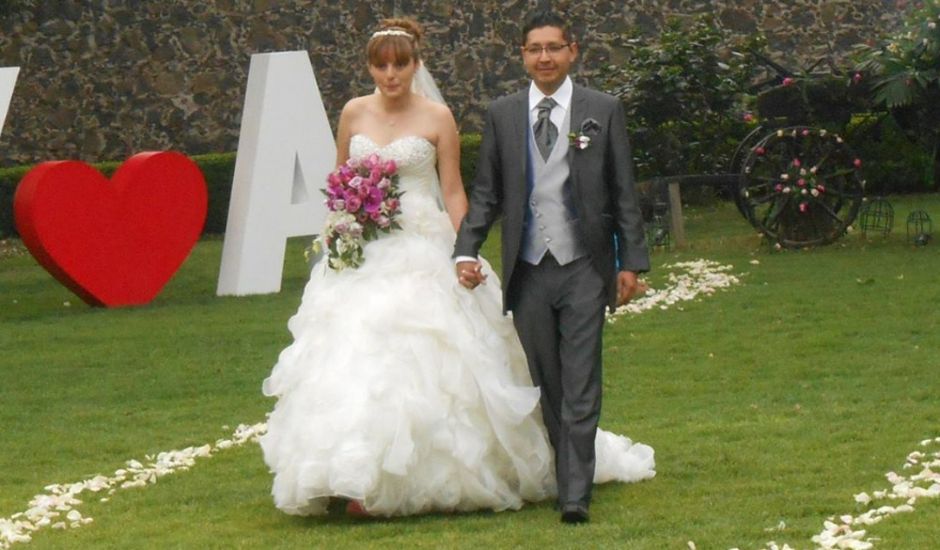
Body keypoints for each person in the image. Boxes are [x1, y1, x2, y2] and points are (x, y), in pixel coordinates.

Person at [260, 17, 654, 519]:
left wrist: (463, 249)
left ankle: (562, 487)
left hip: (444, 250)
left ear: (415, 64)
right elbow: (340, 179)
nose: (390, 74)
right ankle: (348, 477)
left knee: (468, 366)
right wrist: (343, 224)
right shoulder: (356, 113)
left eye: (399, 64)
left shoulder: (441, 116)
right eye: (380, 65)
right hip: (369, 256)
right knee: (355, 360)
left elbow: (456, 190)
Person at [453, 9, 651, 524]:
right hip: (529, 267)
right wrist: (466, 247)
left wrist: (631, 260)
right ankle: (568, 471)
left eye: (553, 48)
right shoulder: (502, 114)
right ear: (523, 56)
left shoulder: (602, 109)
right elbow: (487, 192)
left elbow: (623, 190)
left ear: (572, 51)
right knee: (548, 380)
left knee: (582, 378)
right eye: (534, 49)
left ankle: (574, 494)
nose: (544, 57)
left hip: (584, 263)